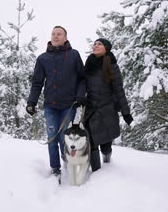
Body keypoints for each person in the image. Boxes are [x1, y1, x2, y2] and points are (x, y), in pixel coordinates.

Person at [26, 26, 86, 177]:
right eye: (53, 34)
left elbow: (81, 79)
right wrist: (31, 102)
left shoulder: (73, 55)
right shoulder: (43, 58)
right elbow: (37, 83)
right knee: (52, 137)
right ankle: (55, 168)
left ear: (65, 38)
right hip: (50, 105)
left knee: (64, 137)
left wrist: (80, 96)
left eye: (59, 34)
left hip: (69, 104)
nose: (56, 36)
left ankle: (68, 161)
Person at [84, 38, 133, 172]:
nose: (96, 46)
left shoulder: (111, 65)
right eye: (94, 44)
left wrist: (126, 112)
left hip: (107, 109)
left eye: (99, 44)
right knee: (92, 142)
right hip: (90, 109)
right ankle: (96, 171)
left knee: (105, 145)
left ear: (106, 48)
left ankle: (107, 162)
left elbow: (118, 89)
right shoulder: (89, 64)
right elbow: (82, 85)